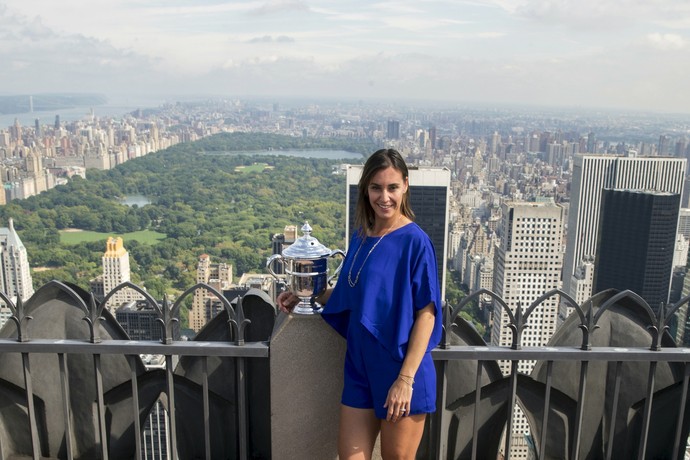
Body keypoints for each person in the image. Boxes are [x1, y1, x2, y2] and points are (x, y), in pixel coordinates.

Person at [277, 148, 442, 460]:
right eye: (376, 187)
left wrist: (405, 381)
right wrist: (306, 293)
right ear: (366, 189)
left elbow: (427, 314)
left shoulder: (415, 241)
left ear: (405, 186)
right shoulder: (361, 236)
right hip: (359, 368)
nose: (384, 197)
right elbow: (351, 295)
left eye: (392, 187)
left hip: (399, 369)